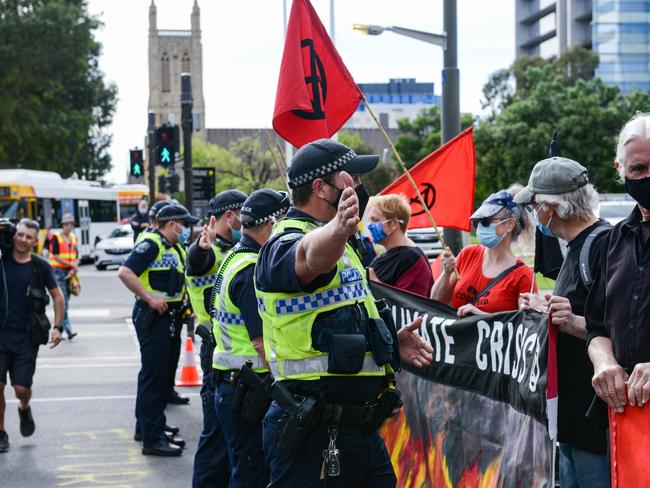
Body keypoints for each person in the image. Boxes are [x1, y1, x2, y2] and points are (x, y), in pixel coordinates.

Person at [255, 139, 433, 487]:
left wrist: (389, 345)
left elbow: (342, 319)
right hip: (315, 434)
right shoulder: (285, 242)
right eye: (349, 178)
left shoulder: (346, 245)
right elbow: (307, 258)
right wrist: (338, 228)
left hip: (360, 432)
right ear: (320, 188)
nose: (357, 185)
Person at [516, 157, 611, 488]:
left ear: (550, 207)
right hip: (572, 417)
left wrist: (572, 322)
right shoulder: (577, 246)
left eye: (534, 205)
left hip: (593, 420)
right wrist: (546, 307)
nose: (533, 214)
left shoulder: (602, 244)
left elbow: (624, 329)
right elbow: (583, 309)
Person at [195, 189, 289, 488]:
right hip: (247, 384)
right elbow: (260, 341)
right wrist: (284, 384)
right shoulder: (250, 269)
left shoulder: (236, 256)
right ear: (272, 224)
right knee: (251, 470)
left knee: (242, 465)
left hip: (232, 382)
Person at [117, 204, 198, 457]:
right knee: (154, 377)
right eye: (184, 224)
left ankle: (151, 426)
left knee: (161, 377)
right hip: (155, 317)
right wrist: (149, 298)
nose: (186, 229)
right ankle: (152, 439)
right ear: (172, 224)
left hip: (170, 317)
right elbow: (125, 272)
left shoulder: (172, 246)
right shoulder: (152, 243)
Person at [586, 113, 650, 423]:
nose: (649, 176)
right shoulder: (613, 241)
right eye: (639, 169)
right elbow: (597, 325)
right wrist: (603, 361)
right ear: (620, 170)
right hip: (628, 422)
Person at [186, 189, 247, 488]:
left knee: (229, 441)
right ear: (229, 216)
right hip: (215, 352)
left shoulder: (236, 249)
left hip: (229, 352)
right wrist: (200, 244)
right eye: (243, 215)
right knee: (216, 439)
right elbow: (197, 259)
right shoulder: (210, 249)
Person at [0, 219, 63, 453]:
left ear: (35, 241)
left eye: (28, 237)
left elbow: (57, 297)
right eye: (20, 235)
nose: (23, 240)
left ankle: (24, 408)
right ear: (13, 235)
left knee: (20, 388)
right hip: (1, 334)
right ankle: (1, 432)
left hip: (27, 337)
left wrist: (57, 327)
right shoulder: (2, 259)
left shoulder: (40, 266)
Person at [430, 188, 535, 317]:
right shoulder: (468, 254)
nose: (480, 226)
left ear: (509, 225)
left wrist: (481, 317)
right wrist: (446, 273)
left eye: (486, 221)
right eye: (478, 221)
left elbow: (526, 326)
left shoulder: (523, 276)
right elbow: (435, 302)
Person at [366, 194, 433, 297]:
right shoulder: (389, 255)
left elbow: (409, 304)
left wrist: (375, 284)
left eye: (375, 220)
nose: (370, 225)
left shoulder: (411, 259)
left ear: (393, 224)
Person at [49, 212, 79, 340]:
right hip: (58, 271)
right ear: (62, 225)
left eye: (71, 224)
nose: (68, 227)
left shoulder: (73, 237)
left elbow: (76, 255)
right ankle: (66, 329)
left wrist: (74, 268)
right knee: (63, 301)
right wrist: (72, 265)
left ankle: (60, 328)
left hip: (70, 272)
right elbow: (55, 255)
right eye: (66, 224)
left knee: (66, 300)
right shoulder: (56, 237)